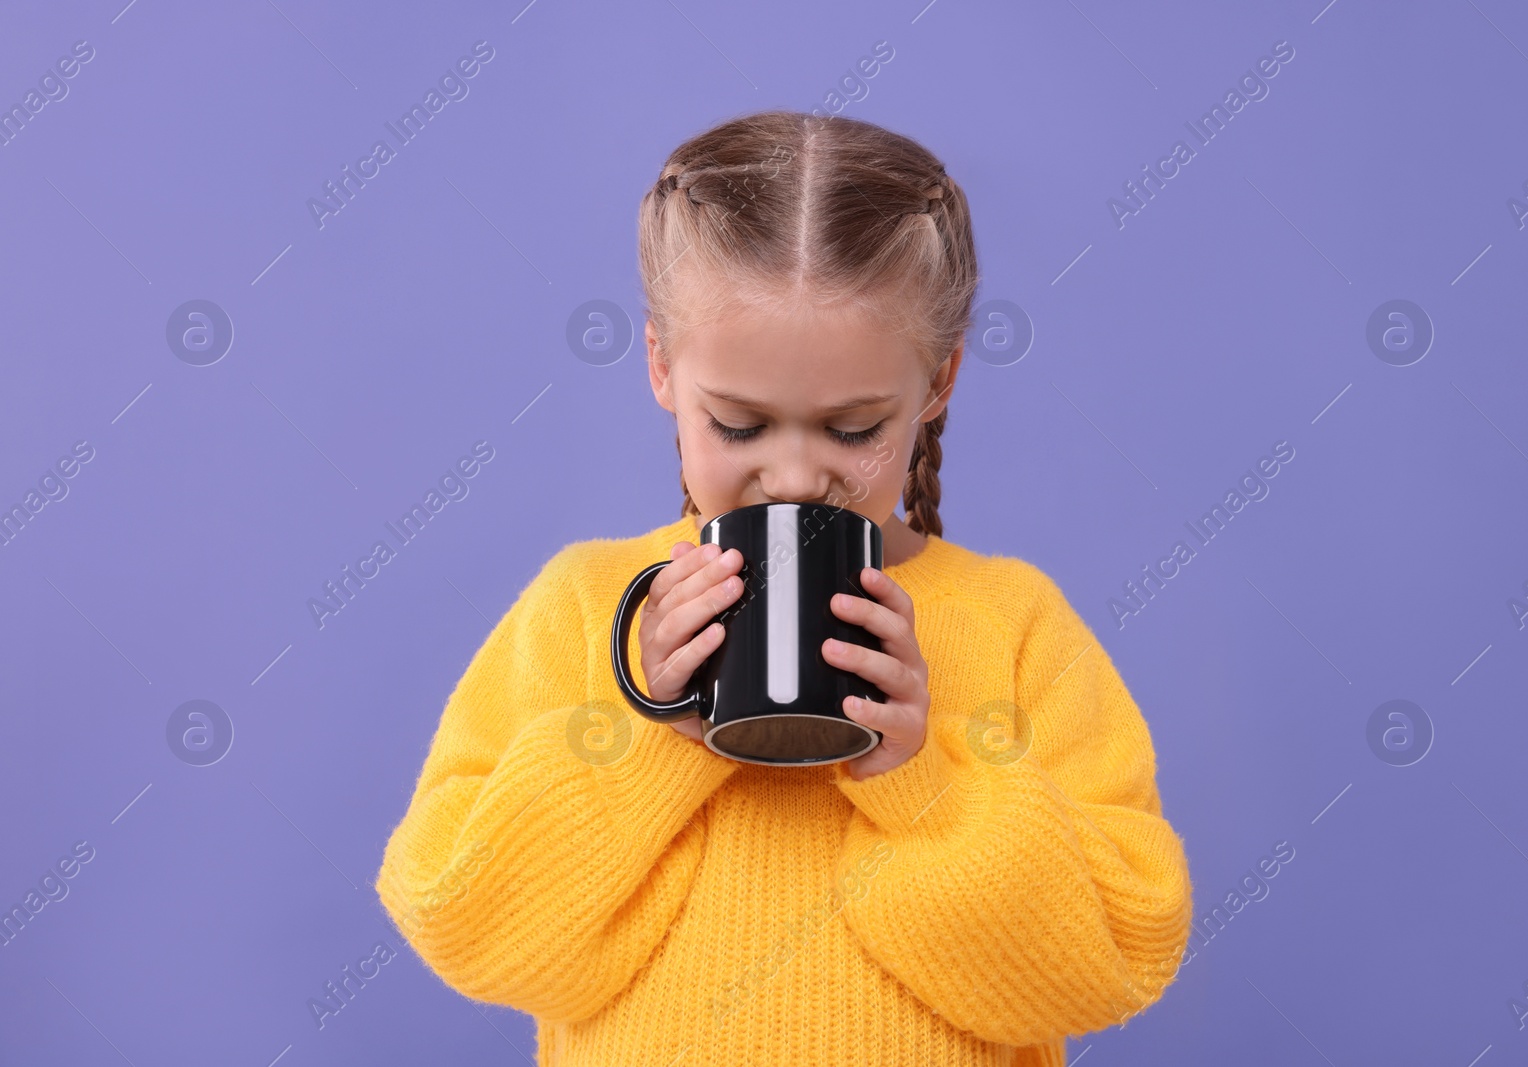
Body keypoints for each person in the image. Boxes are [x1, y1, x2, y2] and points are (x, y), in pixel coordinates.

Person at [375, 109, 1192, 1066]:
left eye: (852, 431)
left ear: (940, 381)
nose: (797, 476)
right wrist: (648, 735)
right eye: (740, 424)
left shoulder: (1015, 623)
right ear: (663, 369)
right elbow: (459, 916)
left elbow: (1117, 957)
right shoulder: (589, 605)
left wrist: (924, 783)